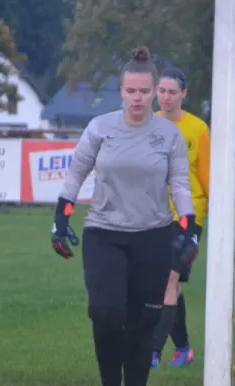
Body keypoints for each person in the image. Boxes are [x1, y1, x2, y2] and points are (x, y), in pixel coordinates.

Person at [50, 46, 199, 386]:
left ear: (154, 92)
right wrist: (61, 217)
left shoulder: (169, 135)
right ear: (120, 91)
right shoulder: (100, 128)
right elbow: (75, 175)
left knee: (143, 322)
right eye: (131, 91)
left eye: (145, 91)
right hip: (105, 234)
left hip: (153, 237)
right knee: (105, 313)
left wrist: (188, 229)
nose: (138, 98)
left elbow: (178, 184)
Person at [151, 67, 210, 368]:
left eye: (172, 91)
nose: (166, 97)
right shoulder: (147, 124)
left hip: (189, 214)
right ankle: (184, 348)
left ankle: (153, 351)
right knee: (170, 284)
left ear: (184, 94)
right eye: (161, 90)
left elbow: (206, 175)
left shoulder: (198, 129)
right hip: (153, 215)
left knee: (169, 279)